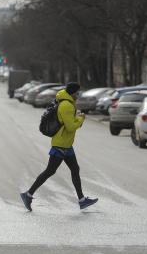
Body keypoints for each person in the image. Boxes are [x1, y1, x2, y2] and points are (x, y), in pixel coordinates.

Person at [20, 82, 98, 211]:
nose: (78, 95)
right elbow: (70, 126)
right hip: (61, 144)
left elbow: (70, 124)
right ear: (72, 93)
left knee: (74, 169)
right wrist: (81, 118)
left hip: (66, 144)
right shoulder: (66, 105)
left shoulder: (68, 103)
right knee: (50, 171)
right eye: (77, 93)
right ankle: (28, 194)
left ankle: (82, 200)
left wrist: (76, 118)